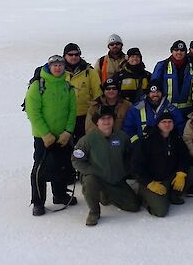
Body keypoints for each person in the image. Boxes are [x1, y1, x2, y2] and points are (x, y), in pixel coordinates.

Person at [71, 106, 140, 226]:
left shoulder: (122, 137)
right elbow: (76, 160)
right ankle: (94, 212)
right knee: (90, 181)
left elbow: (130, 156)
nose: (107, 121)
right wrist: (91, 171)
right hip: (97, 178)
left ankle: (106, 194)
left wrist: (125, 170)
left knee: (134, 206)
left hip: (116, 180)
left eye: (109, 118)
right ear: (97, 122)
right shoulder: (88, 140)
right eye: (103, 119)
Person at [26, 55, 77, 216]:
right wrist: (45, 134)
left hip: (62, 136)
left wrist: (68, 132)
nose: (57, 68)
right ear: (49, 67)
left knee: (61, 165)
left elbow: (72, 111)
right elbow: (33, 112)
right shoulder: (38, 86)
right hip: (43, 137)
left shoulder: (67, 87)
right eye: (54, 65)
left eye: (60, 65)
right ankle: (38, 202)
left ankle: (60, 195)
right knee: (40, 169)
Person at [131, 112, 193, 217]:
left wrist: (181, 173)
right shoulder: (146, 141)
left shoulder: (176, 137)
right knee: (160, 212)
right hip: (153, 181)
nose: (167, 124)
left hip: (171, 176)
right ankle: (145, 195)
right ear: (158, 124)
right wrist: (149, 183)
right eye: (164, 122)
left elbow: (184, 156)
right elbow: (136, 166)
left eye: (170, 122)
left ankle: (173, 194)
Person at [62, 43, 102, 142]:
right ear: (64, 56)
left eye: (76, 54)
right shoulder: (59, 71)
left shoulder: (89, 72)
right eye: (70, 54)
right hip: (64, 116)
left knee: (82, 144)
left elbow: (98, 92)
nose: (74, 57)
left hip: (84, 115)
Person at [151, 40, 193, 117]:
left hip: (188, 111)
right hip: (167, 110)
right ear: (171, 51)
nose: (179, 52)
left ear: (186, 52)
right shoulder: (162, 65)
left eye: (182, 50)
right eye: (176, 50)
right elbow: (154, 86)